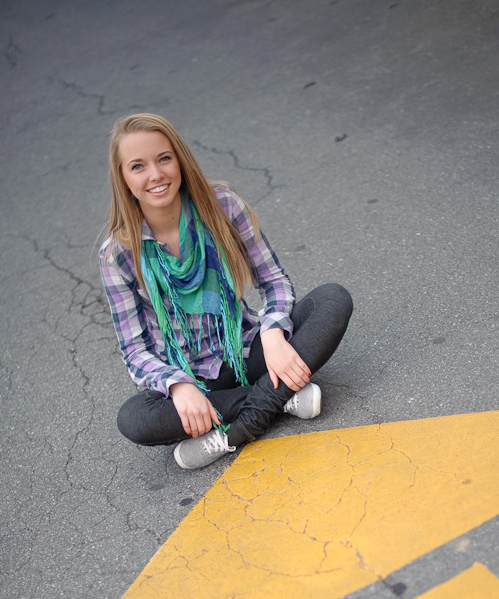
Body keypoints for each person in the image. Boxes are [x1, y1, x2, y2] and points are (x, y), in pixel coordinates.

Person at [99, 113, 353, 470]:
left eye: (164, 158)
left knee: (332, 298)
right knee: (134, 419)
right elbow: (134, 349)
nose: (155, 174)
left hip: (246, 351)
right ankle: (279, 398)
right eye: (138, 166)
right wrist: (178, 386)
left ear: (180, 160)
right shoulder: (119, 253)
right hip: (194, 384)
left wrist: (273, 334)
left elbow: (273, 280)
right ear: (123, 178)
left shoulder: (222, 206)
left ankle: (232, 434)